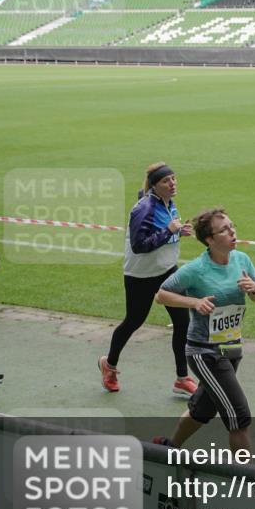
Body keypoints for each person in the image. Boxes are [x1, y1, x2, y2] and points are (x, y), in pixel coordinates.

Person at [152, 208, 255, 452]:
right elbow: (161, 295)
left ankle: (170, 448)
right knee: (239, 418)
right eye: (224, 229)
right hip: (205, 352)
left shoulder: (242, 259)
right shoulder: (197, 269)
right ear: (210, 240)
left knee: (202, 409)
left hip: (232, 348)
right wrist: (194, 302)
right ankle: (243, 484)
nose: (232, 231)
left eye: (232, 225)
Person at [99, 163, 195, 396]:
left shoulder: (168, 203)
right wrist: (169, 231)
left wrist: (177, 232)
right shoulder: (144, 209)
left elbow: (163, 232)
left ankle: (182, 378)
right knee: (133, 321)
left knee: (182, 322)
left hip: (168, 271)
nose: (172, 184)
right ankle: (109, 365)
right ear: (154, 185)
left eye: (174, 179)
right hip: (141, 276)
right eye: (166, 181)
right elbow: (139, 245)